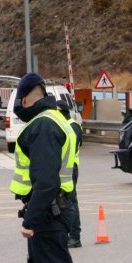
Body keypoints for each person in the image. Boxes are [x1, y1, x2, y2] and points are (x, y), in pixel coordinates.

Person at [9, 73, 77, 263]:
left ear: (27, 100)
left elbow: (47, 182)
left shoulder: (43, 126)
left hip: (48, 216)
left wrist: (31, 218)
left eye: (19, 102)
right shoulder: (55, 118)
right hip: (53, 212)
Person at [57, 100, 83, 249]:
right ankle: (66, 234)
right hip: (62, 168)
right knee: (62, 202)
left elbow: (70, 149)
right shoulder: (64, 125)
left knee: (70, 201)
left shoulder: (72, 126)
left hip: (69, 168)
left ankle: (75, 236)